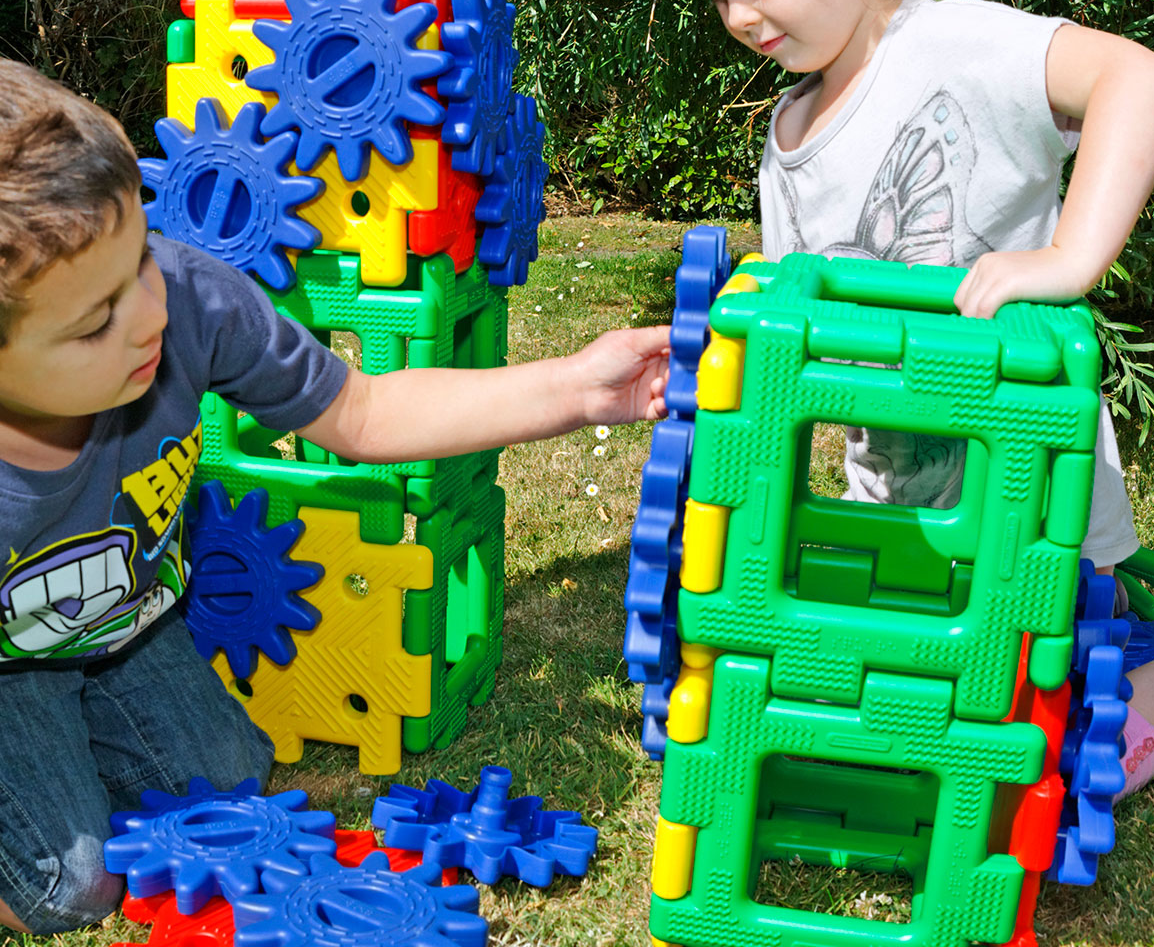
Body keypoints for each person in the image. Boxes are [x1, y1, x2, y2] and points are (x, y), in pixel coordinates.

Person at [0, 59, 670, 935]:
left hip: (127, 627)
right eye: (94, 323)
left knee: (227, 783)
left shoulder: (193, 297)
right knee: (70, 889)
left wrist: (584, 389)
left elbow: (365, 412)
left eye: (140, 264)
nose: (146, 316)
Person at [644, 0, 1154, 803]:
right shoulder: (791, 132)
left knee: (1060, 756)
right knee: (909, 727)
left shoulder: (955, 46)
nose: (740, 15)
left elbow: (1141, 78)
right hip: (895, 502)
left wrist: (1070, 257)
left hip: (1033, 501)